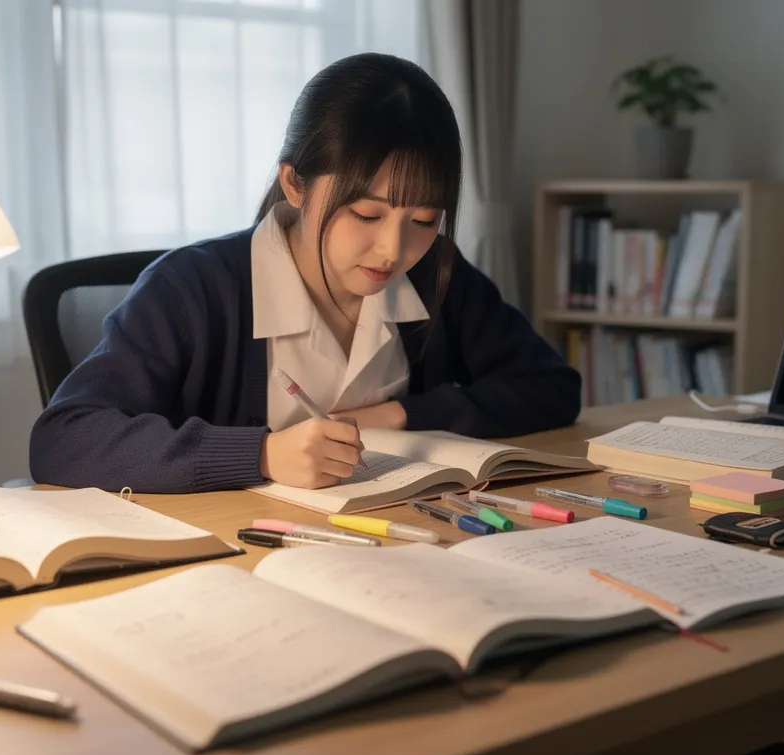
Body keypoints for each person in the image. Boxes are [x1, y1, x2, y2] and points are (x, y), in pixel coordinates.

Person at [29, 52, 580, 494]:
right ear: (295, 185)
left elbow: (553, 388)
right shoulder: (192, 290)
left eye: (424, 219)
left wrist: (397, 414)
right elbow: (63, 438)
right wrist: (262, 455)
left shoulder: (436, 272)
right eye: (366, 214)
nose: (393, 249)